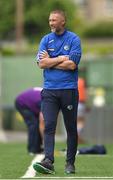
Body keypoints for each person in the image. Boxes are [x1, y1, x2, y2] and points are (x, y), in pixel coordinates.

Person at [33, 10, 82, 174]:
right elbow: (41, 64)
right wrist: (62, 58)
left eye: (54, 20)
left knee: (71, 128)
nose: (51, 23)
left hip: (69, 90)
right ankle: (48, 160)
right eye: (49, 20)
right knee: (49, 125)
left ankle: (70, 163)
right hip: (49, 91)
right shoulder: (45, 40)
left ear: (63, 22)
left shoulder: (74, 39)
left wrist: (51, 60)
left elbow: (72, 65)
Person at [15, 87, 44, 155]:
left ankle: (38, 148)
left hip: (32, 104)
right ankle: (32, 150)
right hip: (22, 104)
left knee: (37, 124)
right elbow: (43, 121)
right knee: (33, 124)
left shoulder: (48, 95)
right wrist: (45, 140)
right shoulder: (44, 101)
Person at [77, 77, 87, 144]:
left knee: (74, 121)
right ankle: (77, 136)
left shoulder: (71, 80)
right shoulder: (82, 81)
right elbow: (85, 92)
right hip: (80, 102)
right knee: (80, 121)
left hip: (72, 102)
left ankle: (76, 137)